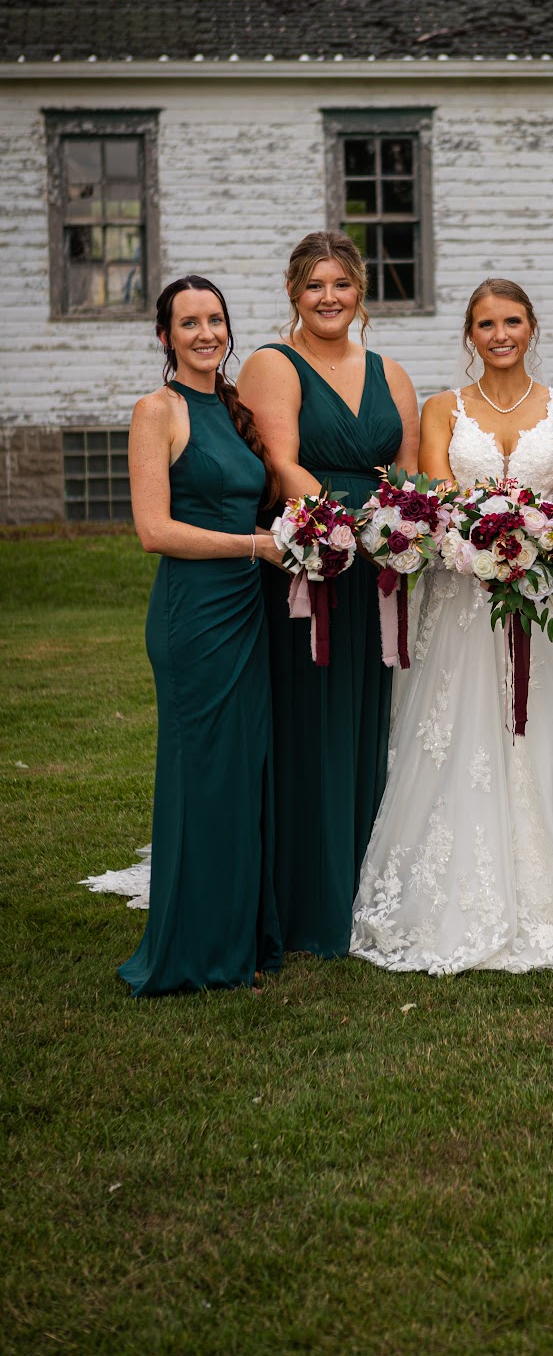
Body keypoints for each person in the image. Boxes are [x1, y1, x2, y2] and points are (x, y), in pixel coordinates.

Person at [350, 278, 553, 973]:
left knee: (549, 729)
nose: (500, 335)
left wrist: (529, 539)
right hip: (460, 600)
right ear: (470, 334)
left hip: (544, 594)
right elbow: (439, 498)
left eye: (513, 321)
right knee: (456, 729)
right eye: (487, 324)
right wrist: (485, 540)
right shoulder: (442, 408)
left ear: (531, 327)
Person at [238, 231, 419, 960]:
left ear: (360, 291)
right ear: (293, 292)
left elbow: (407, 472)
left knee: (364, 718)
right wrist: (347, 528)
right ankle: (306, 893)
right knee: (310, 720)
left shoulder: (390, 372)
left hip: (376, 568)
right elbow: (281, 463)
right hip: (308, 563)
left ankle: (357, 878)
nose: (328, 297)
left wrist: (403, 525)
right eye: (314, 285)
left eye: (341, 283)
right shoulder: (271, 364)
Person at [117, 276, 286, 996]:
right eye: (189, 323)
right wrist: (254, 546)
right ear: (165, 337)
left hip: (245, 610)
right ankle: (193, 949)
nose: (206, 333)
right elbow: (154, 531)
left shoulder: (233, 408)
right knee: (202, 778)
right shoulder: (156, 411)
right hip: (193, 618)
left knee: (242, 773)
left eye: (215, 319)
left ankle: (238, 937)